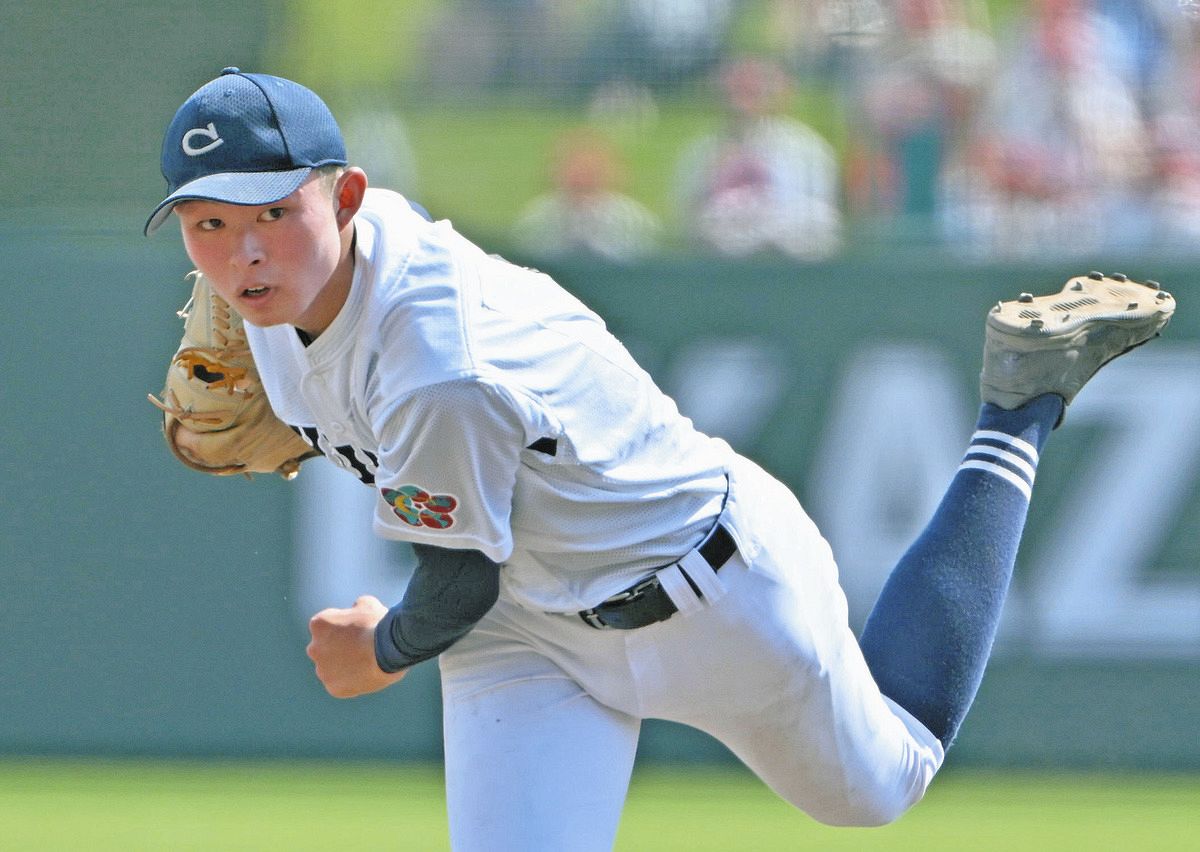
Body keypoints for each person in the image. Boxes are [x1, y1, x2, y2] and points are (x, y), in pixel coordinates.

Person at [145, 69, 1174, 850]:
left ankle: (1018, 402)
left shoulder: (439, 361)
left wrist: (379, 650)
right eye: (209, 223)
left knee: (883, 783)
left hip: (706, 594)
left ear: (351, 195)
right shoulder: (291, 294)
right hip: (531, 632)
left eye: (277, 212)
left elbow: (453, 586)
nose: (244, 253)